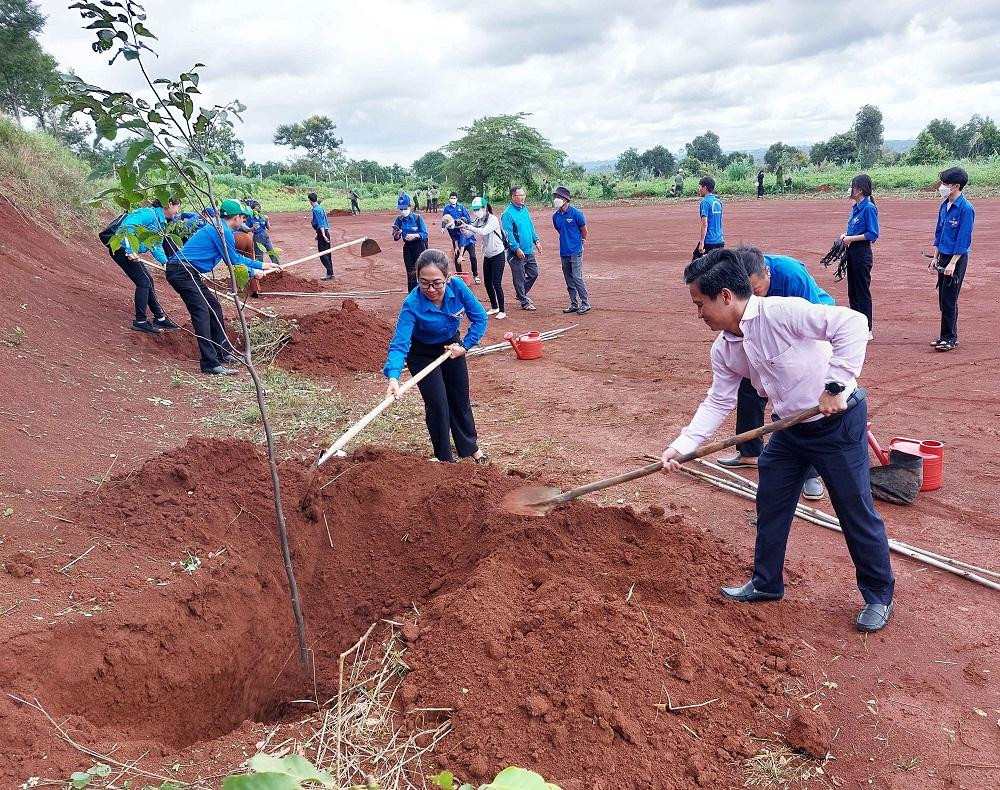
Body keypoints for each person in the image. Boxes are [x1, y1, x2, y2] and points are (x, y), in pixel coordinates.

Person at [660, 249, 894, 633]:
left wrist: (835, 384)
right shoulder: (724, 348)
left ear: (725, 296)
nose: (698, 313)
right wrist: (682, 446)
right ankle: (767, 584)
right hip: (787, 429)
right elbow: (719, 399)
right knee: (770, 503)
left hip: (836, 424)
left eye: (699, 304)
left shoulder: (780, 312)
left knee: (854, 511)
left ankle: (878, 595)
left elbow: (852, 323)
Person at [720, 245, 836, 501]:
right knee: (750, 385)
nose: (751, 296)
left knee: (801, 397)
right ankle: (749, 452)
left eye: (756, 289)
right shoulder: (743, 282)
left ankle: (811, 474)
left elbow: (816, 320)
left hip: (806, 332)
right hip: (764, 331)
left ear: (767, 273)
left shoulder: (791, 274)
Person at [383, 249, 489, 464]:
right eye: (424, 283)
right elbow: (399, 344)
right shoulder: (412, 304)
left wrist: (465, 346)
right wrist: (393, 377)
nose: (431, 289)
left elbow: (480, 318)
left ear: (448, 279)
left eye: (437, 283)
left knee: (460, 400)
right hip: (422, 354)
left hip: (452, 347)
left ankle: (470, 448)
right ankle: (444, 459)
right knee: (438, 405)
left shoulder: (458, 288)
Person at [165, 200, 280, 375]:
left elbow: (235, 258)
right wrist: (253, 272)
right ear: (236, 217)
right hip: (182, 271)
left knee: (214, 307)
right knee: (201, 312)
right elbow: (233, 262)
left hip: (187, 272)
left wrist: (262, 266)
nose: (244, 222)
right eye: (243, 218)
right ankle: (209, 363)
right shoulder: (222, 231)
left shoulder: (220, 228)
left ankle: (222, 353)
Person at [104, 198, 182, 335]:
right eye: (178, 207)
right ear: (169, 204)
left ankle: (160, 317)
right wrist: (130, 250)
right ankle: (140, 322)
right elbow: (126, 227)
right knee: (143, 282)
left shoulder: (161, 222)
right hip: (122, 250)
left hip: (130, 252)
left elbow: (155, 245)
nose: (178, 211)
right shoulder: (149, 214)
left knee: (148, 281)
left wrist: (164, 262)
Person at [931, 167, 975, 352]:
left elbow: (964, 238)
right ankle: (947, 334)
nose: (942, 187)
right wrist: (935, 257)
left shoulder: (965, 208)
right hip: (943, 255)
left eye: (945, 184)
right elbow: (939, 233)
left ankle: (949, 338)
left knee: (949, 299)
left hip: (955, 258)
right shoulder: (944, 204)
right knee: (943, 298)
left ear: (956, 186)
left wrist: (952, 262)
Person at [840, 174, 879, 339]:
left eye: (853, 186)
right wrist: (845, 236)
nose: (850, 189)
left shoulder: (868, 208)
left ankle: (867, 328)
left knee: (862, 291)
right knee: (853, 290)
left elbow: (873, 234)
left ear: (860, 189)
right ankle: (856, 325)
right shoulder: (855, 207)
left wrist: (851, 239)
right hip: (852, 251)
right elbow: (855, 229)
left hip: (862, 252)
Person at [461, 197, 507, 318]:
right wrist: (461, 228)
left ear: (484, 208)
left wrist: (468, 226)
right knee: (487, 283)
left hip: (498, 254)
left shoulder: (493, 219)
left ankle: (502, 310)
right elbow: (468, 234)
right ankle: (494, 307)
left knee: (496, 283)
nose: (476, 211)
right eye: (474, 210)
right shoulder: (478, 220)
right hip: (488, 255)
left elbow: (483, 232)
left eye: (477, 209)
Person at [501, 186, 542, 311]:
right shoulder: (507, 214)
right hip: (516, 253)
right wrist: (516, 248)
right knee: (519, 277)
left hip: (529, 250)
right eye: (520, 195)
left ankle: (521, 294)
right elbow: (508, 234)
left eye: (524, 194)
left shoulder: (524, 209)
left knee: (534, 273)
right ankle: (524, 301)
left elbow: (530, 226)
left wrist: (537, 240)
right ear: (513, 197)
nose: (523, 197)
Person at [551, 185, 591, 314]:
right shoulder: (555, 216)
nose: (556, 199)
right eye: (556, 197)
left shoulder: (576, 214)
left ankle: (585, 303)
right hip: (564, 251)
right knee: (568, 279)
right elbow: (559, 230)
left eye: (559, 197)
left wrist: (582, 240)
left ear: (566, 199)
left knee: (577, 277)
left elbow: (584, 230)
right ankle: (574, 303)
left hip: (575, 251)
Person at [392, 194, 428, 292]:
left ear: (410, 207)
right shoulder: (399, 220)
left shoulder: (417, 218)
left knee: (422, 269)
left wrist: (415, 235)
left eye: (404, 208)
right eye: (401, 209)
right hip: (407, 247)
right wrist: (397, 234)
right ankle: (412, 293)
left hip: (419, 245)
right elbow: (395, 238)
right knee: (410, 271)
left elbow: (425, 233)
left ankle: (424, 291)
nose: (403, 211)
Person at [441, 192, 479, 281]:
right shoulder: (450, 228)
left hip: (468, 238)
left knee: (472, 256)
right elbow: (454, 238)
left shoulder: (461, 207)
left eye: (454, 198)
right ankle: (460, 276)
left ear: (457, 199)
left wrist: (461, 255)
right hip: (458, 240)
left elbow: (463, 241)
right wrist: (456, 247)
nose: (453, 199)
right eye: (451, 198)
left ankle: (475, 275)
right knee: (456, 256)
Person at [693, 176, 724, 260]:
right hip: (720, 241)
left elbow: (704, 224)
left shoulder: (705, 202)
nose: (699, 189)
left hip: (709, 241)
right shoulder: (718, 202)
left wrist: (702, 242)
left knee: (695, 264)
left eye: (700, 187)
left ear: (705, 188)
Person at [308, 192, 334, 280]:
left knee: (323, 254)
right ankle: (330, 273)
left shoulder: (316, 210)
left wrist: (322, 235)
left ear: (310, 201)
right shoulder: (320, 208)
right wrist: (319, 234)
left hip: (323, 232)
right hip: (325, 232)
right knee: (327, 254)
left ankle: (330, 273)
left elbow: (320, 223)